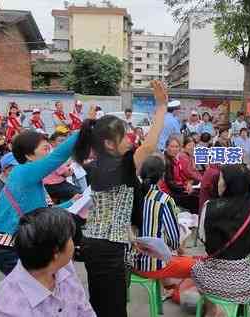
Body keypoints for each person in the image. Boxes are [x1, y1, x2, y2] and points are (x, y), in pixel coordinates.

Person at [72, 80, 167, 317]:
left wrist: (128, 235)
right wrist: (162, 106)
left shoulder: (95, 165)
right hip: (108, 249)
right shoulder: (122, 166)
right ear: (109, 144)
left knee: (100, 303)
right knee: (114, 308)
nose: (130, 140)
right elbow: (150, 145)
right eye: (125, 136)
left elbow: (114, 207)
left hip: (95, 243)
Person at [0, 130, 79, 275]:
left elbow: (43, 212)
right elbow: (57, 157)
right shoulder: (23, 172)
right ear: (29, 155)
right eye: (45, 149)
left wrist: (71, 203)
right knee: (35, 289)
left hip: (20, 246)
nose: (49, 153)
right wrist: (84, 132)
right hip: (10, 251)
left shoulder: (33, 179)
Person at [0, 207, 96, 317]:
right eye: (70, 239)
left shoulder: (64, 267)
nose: (73, 243)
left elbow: (84, 310)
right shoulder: (7, 310)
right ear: (56, 252)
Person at [192, 164, 250, 308]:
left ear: (230, 185)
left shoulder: (208, 206)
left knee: (195, 269)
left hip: (209, 281)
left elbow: (202, 238)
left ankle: (211, 309)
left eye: (222, 179)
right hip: (241, 285)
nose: (219, 183)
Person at [132, 156, 195, 281]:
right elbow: (174, 241)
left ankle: (168, 287)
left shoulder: (132, 195)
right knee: (198, 267)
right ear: (162, 177)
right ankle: (175, 291)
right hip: (154, 266)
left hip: (131, 263)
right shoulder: (163, 200)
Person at [160, 136, 200, 214]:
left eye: (176, 147)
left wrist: (188, 184)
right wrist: (185, 189)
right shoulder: (167, 162)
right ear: (166, 147)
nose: (174, 149)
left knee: (197, 194)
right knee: (196, 199)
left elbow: (183, 176)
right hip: (170, 194)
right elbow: (170, 184)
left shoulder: (175, 159)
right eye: (172, 146)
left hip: (178, 189)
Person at [43, 132, 81, 203]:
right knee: (79, 193)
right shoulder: (54, 155)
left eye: (65, 141)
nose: (64, 143)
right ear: (52, 142)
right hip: (55, 186)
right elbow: (66, 173)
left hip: (55, 185)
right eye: (61, 141)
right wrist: (69, 167)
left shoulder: (55, 154)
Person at [0, 153, 18, 238]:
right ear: (5, 170)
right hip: (0, 235)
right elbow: (0, 217)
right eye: (15, 168)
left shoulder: (11, 184)